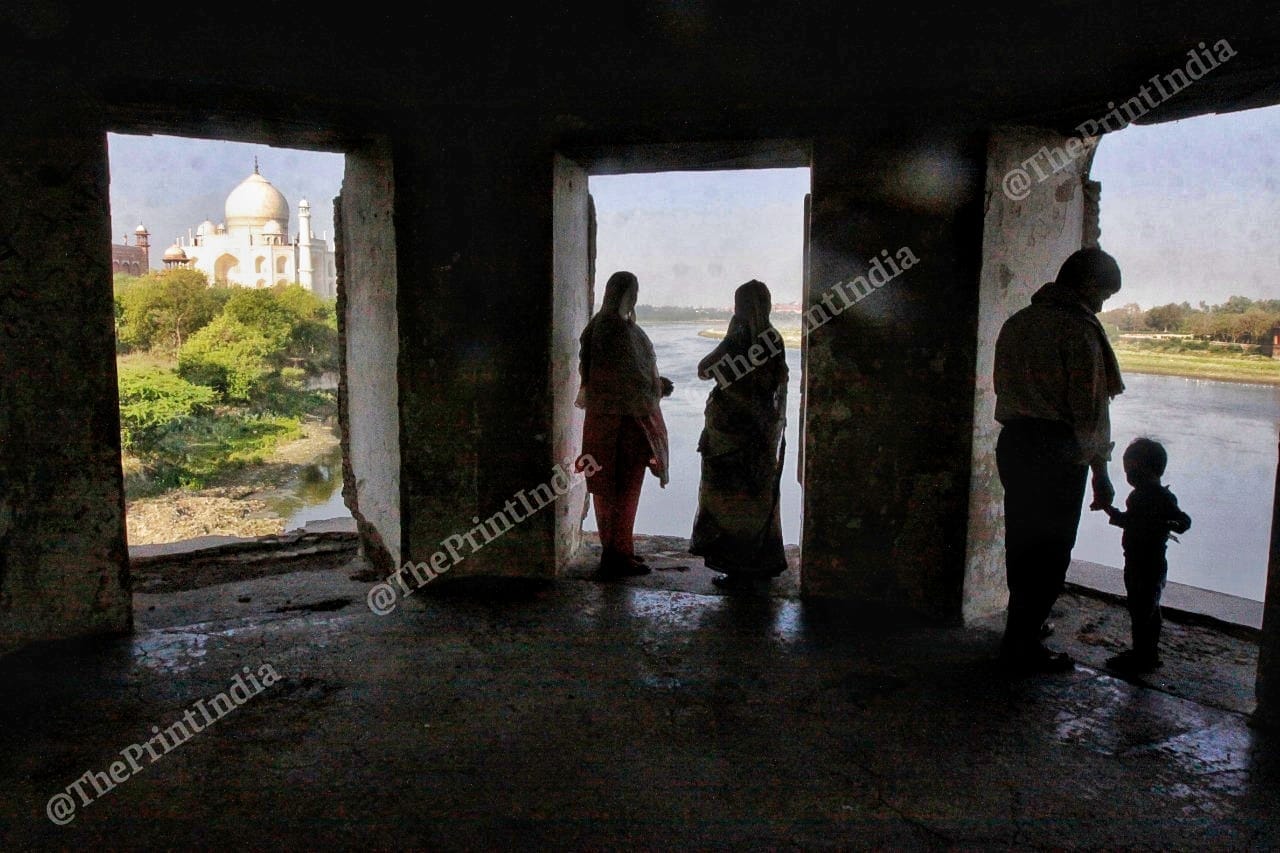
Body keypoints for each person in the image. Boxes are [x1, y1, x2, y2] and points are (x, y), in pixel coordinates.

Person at [993, 247, 1125, 674]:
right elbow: (1089, 413)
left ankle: (1022, 628)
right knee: (1050, 551)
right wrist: (1101, 474)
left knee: (1022, 544)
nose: (1101, 306)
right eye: (1103, 296)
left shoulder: (1018, 323)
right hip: (1055, 451)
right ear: (1087, 287)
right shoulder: (1078, 331)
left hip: (1016, 443)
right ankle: (1023, 643)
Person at [689, 280, 789, 589]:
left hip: (730, 434)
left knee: (729, 501)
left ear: (740, 307)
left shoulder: (737, 340)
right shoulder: (773, 338)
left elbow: (704, 370)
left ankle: (737, 566)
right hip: (760, 434)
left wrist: (729, 346)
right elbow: (775, 386)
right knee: (756, 500)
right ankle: (759, 562)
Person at [575, 271, 672, 577]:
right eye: (633, 292)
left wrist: (652, 386)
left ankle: (617, 551)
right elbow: (632, 379)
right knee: (624, 491)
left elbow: (600, 376)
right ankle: (618, 555)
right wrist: (658, 388)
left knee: (606, 491)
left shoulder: (597, 327)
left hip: (602, 421)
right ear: (627, 295)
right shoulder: (618, 331)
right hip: (624, 425)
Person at [1101, 438, 1192, 675]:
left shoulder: (1151, 497)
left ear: (1150, 469)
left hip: (1144, 562)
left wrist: (1168, 523)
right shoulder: (1152, 496)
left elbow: (1182, 521)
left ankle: (1142, 655)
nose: (1129, 476)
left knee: (1141, 609)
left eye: (1132, 470)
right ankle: (1147, 653)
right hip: (1144, 560)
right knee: (1147, 608)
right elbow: (1180, 522)